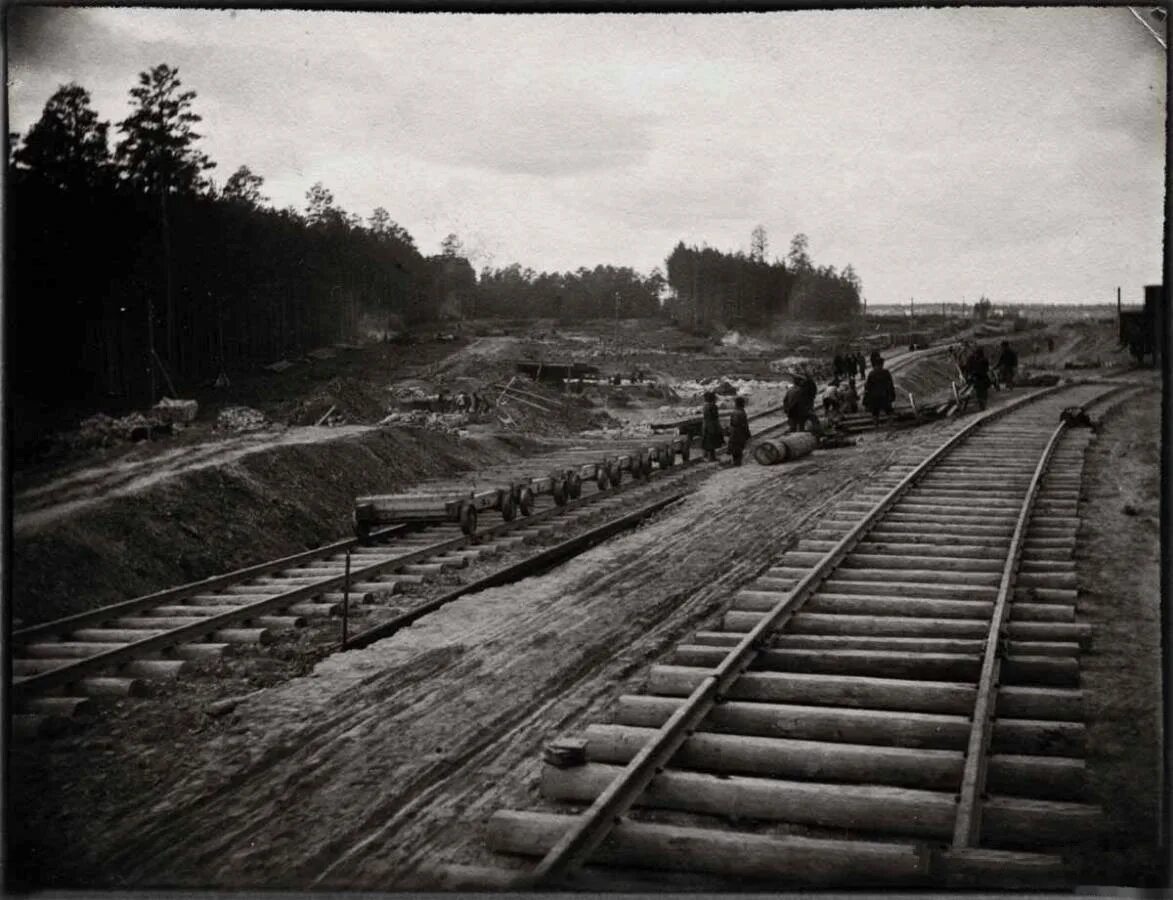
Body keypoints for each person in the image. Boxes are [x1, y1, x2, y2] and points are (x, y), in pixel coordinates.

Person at [863, 352, 896, 427]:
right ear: (881, 364)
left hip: (874, 396)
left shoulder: (871, 373)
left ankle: (876, 425)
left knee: (875, 412)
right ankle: (890, 423)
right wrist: (892, 394)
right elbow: (890, 384)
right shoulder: (886, 372)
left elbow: (868, 386)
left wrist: (868, 396)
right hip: (885, 395)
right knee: (889, 410)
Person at [965, 345, 992, 411]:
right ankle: (982, 405)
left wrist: (973, 374)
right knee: (981, 393)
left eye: (977, 354)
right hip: (980, 378)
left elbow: (984, 369)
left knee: (981, 393)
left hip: (980, 378)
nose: (976, 355)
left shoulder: (982, 360)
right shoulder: (976, 359)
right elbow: (969, 369)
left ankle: (982, 405)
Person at [700, 391, 724, 461]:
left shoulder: (705, 406)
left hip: (707, 426)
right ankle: (711, 458)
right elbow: (715, 417)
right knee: (711, 442)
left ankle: (708, 457)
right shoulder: (713, 406)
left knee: (708, 442)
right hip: (712, 426)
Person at [727, 396, 750, 466]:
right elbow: (745, 425)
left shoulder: (734, 412)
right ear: (743, 404)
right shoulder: (742, 413)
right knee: (739, 448)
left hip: (733, 433)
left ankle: (735, 462)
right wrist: (747, 434)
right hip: (740, 433)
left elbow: (731, 423)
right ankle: (737, 463)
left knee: (734, 448)